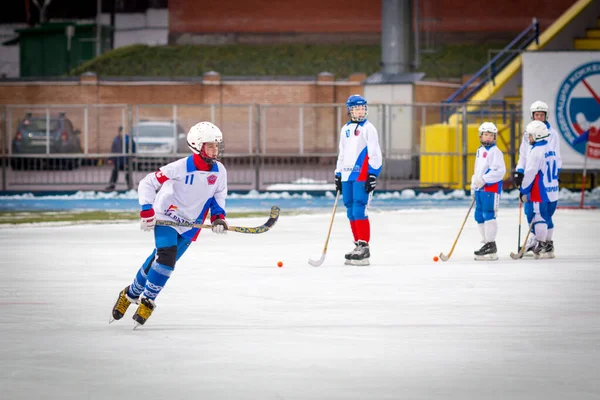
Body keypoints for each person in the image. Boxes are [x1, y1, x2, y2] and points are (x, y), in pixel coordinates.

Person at [110, 121, 228, 328]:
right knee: (166, 256)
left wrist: (218, 217)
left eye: (216, 145)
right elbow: (148, 182)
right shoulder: (179, 167)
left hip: (192, 224)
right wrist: (147, 210)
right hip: (167, 217)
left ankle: (130, 294)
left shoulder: (219, 171)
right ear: (197, 146)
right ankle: (148, 300)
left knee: (159, 260)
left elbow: (218, 196)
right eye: (210, 145)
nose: (215, 149)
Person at [334, 94, 382, 266]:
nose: (360, 111)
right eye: (356, 108)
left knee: (360, 208)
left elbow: (375, 153)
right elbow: (342, 153)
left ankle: (364, 246)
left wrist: (372, 173)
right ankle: (357, 244)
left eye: (363, 108)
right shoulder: (345, 129)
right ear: (350, 110)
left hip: (361, 175)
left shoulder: (369, 128)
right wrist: (338, 174)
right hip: (347, 175)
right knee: (350, 209)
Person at [513, 101, 562, 258]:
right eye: (536, 114)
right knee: (540, 213)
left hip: (538, 179)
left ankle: (540, 242)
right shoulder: (530, 132)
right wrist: (519, 170)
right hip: (538, 176)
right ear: (532, 115)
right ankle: (540, 242)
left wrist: (525, 185)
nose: (539, 117)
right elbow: (524, 154)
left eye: (542, 114)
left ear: (546, 115)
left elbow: (548, 158)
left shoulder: (551, 134)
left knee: (537, 212)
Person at [470, 122, 506, 261]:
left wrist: (483, 179)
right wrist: (474, 185)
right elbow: (477, 169)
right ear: (481, 136)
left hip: (491, 188)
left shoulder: (495, 152)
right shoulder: (480, 150)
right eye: (486, 135)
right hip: (480, 188)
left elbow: (499, 171)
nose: (488, 138)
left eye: (491, 135)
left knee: (488, 214)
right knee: (479, 216)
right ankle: (486, 243)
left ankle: (491, 244)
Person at [105, 126, 135, 191]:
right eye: (121, 131)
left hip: (126, 160)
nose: (123, 133)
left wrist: (133, 157)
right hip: (118, 160)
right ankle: (112, 185)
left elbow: (133, 148)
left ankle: (129, 185)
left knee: (127, 173)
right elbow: (113, 149)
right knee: (115, 172)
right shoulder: (116, 139)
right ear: (120, 132)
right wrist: (110, 158)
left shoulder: (129, 139)